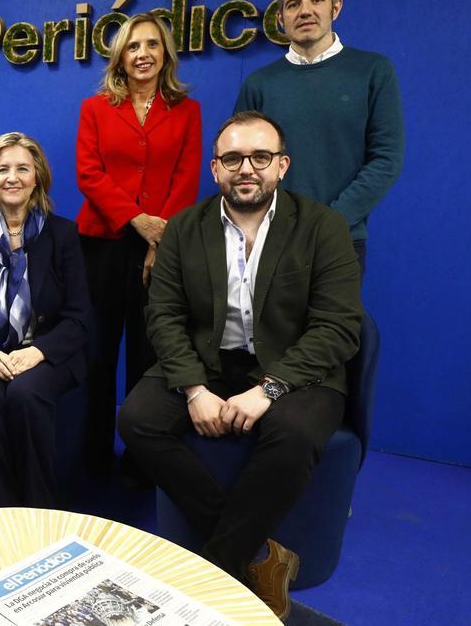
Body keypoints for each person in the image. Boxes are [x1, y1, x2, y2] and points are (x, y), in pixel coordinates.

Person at [118, 111, 362, 620]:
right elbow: (164, 317)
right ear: (215, 169)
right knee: (137, 419)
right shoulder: (185, 227)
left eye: (260, 157)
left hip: (295, 368)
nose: (245, 168)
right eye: (232, 158)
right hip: (208, 360)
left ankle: (219, 564)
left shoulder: (323, 227)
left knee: (294, 435)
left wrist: (269, 389)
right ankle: (261, 558)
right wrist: (192, 388)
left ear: (282, 165)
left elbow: (337, 328)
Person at [74, 13, 202, 478]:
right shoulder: (95, 108)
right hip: (103, 245)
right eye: (133, 46)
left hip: (164, 247)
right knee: (99, 352)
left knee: (150, 354)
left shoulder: (187, 110)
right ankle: (92, 454)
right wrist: (137, 220)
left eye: (152, 44)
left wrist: (158, 238)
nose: (143, 53)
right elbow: (89, 173)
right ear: (120, 57)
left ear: (165, 52)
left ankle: (141, 460)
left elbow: (187, 178)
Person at [0, 133, 92, 508]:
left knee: (26, 395)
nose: (12, 178)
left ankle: (38, 509)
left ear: (37, 177)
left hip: (45, 351)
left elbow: (79, 315)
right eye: (2, 169)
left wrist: (39, 352)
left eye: (22, 168)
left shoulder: (63, 234)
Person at [234, 0, 404, 275]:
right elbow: (240, 164)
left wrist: (330, 222)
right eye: (294, 4)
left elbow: (386, 158)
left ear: (335, 8)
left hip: (340, 239)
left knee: (334, 326)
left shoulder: (372, 71)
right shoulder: (259, 84)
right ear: (281, 18)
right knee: (263, 326)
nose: (305, 10)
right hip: (268, 240)